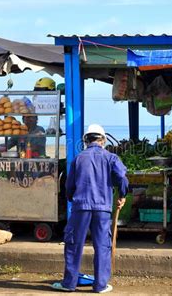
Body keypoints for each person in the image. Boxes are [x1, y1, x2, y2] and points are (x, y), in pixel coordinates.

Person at [52, 124, 128, 293]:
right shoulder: (111, 157)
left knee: (73, 244)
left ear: (86, 140)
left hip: (81, 206)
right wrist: (122, 196)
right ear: (103, 140)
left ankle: (69, 284)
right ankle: (100, 285)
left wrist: (71, 198)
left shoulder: (78, 158)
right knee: (102, 245)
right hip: (102, 208)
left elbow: (69, 185)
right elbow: (122, 177)